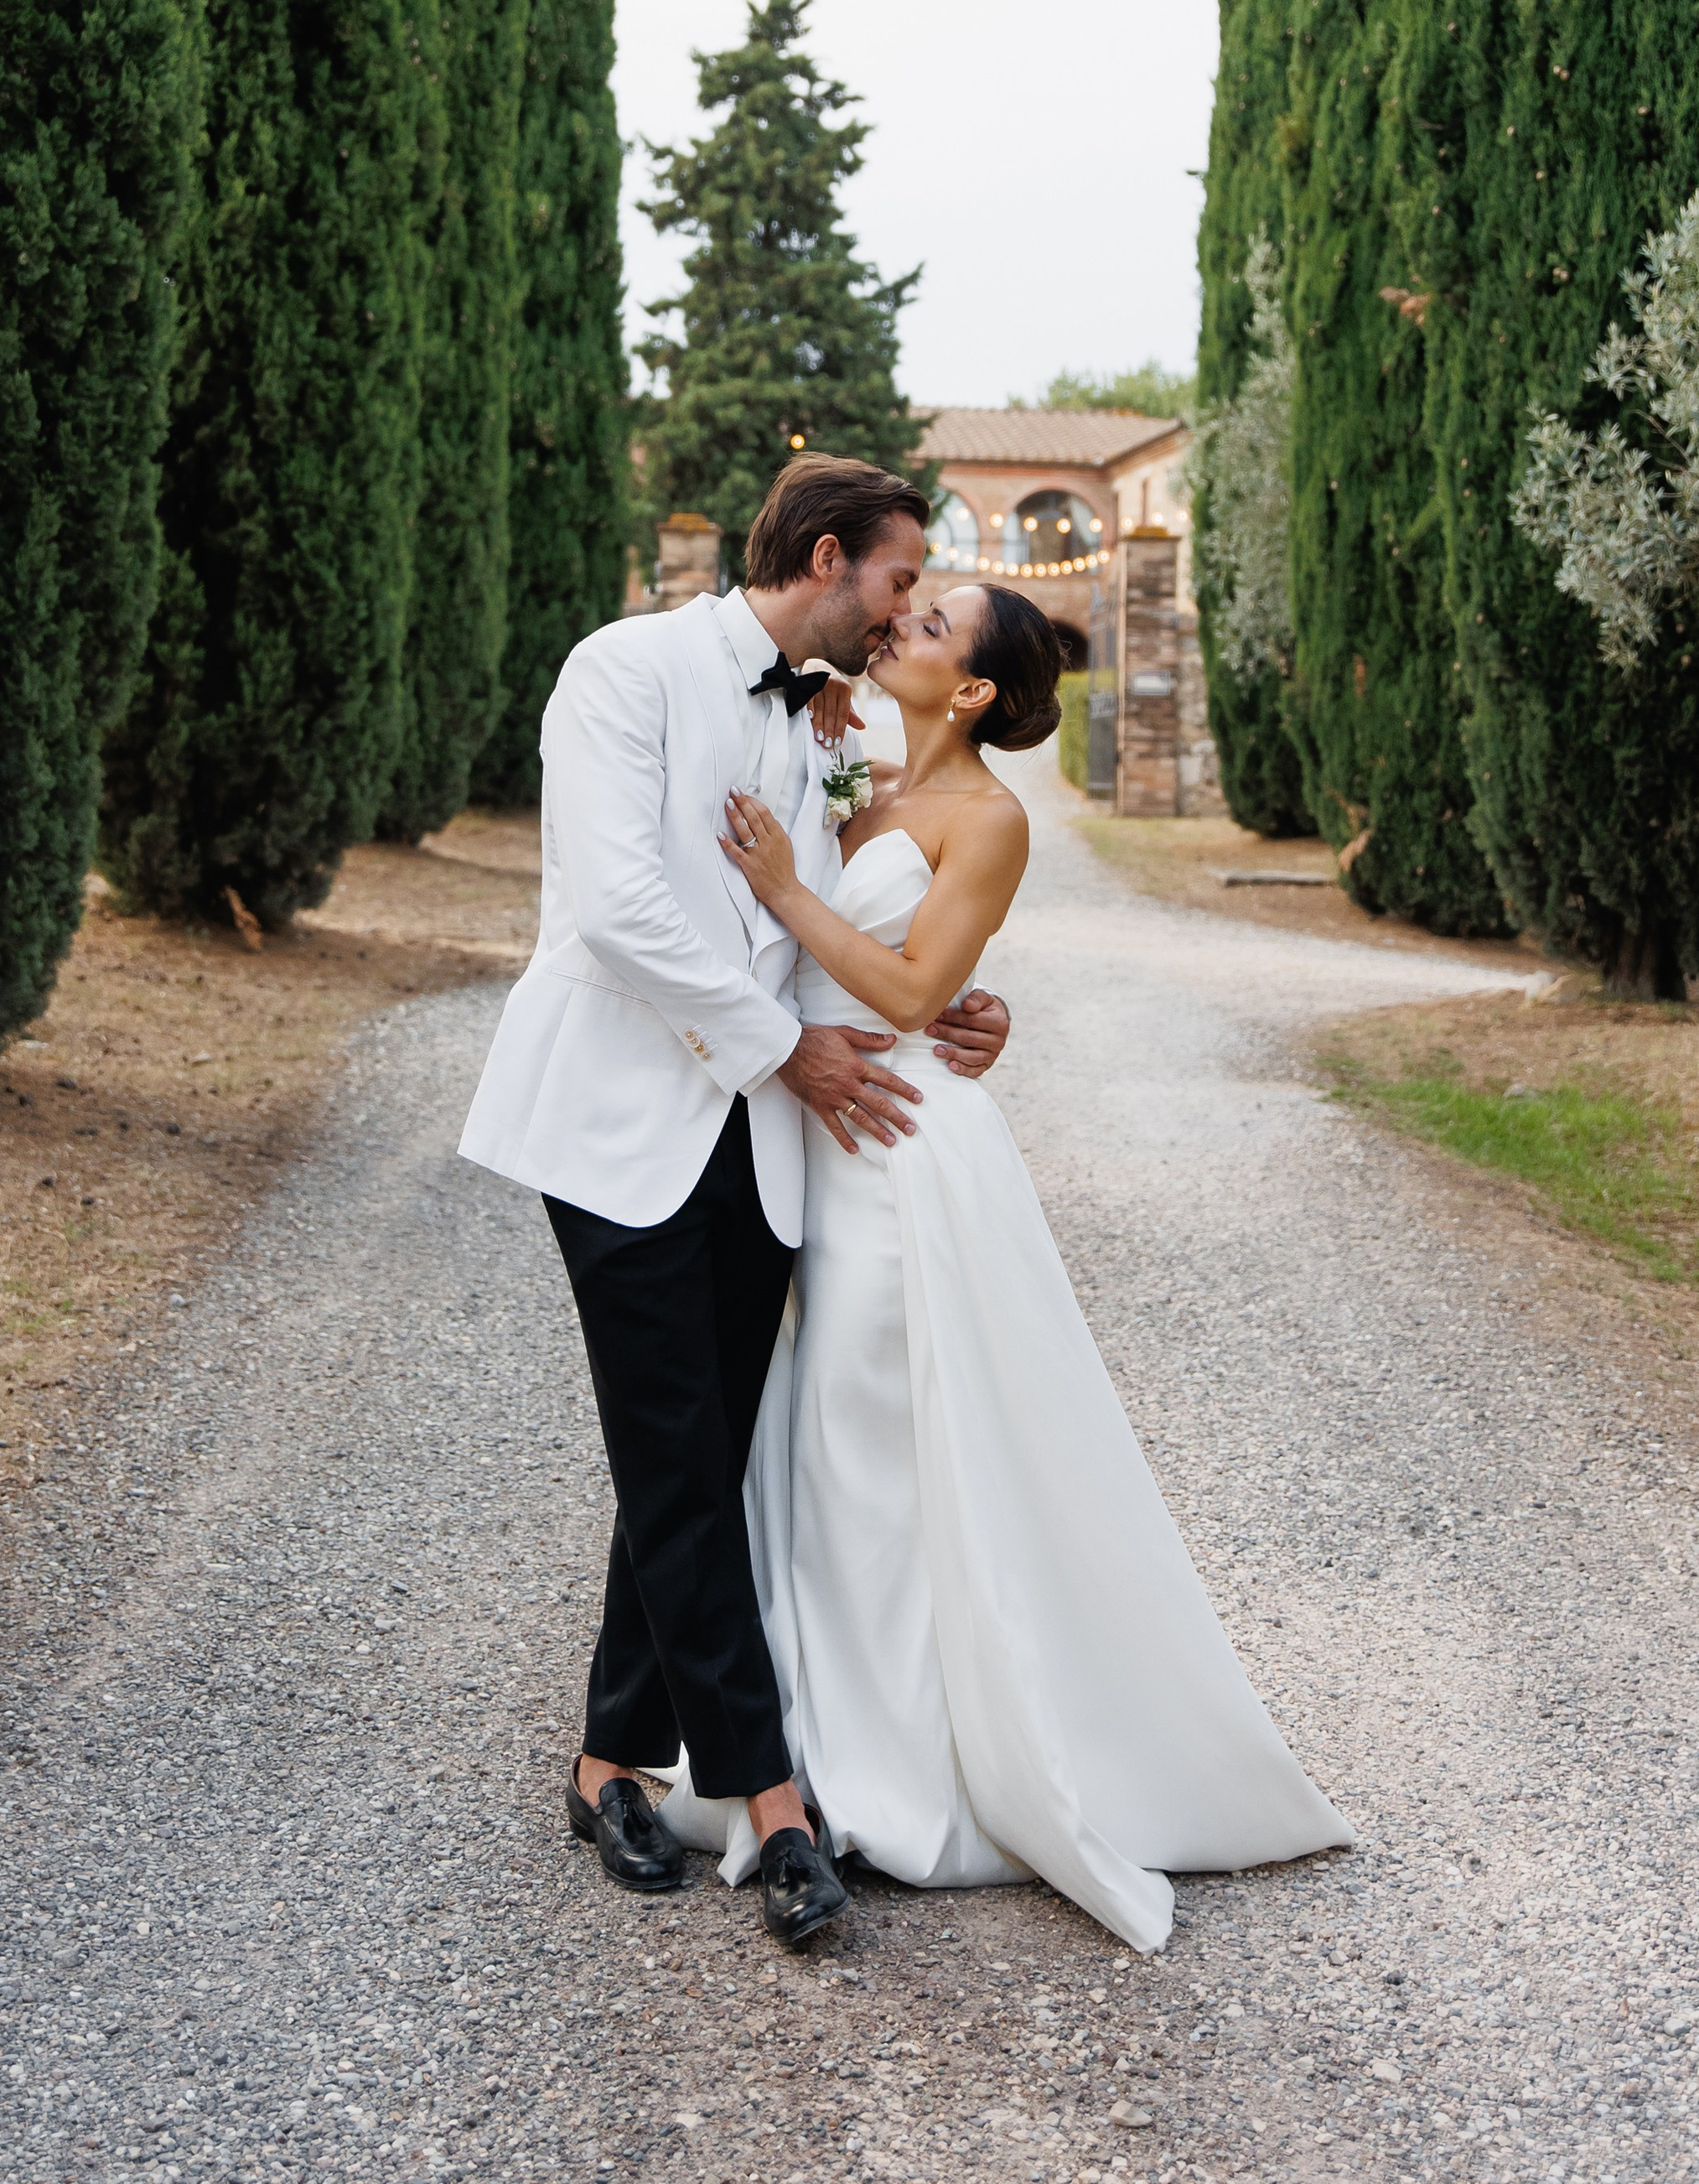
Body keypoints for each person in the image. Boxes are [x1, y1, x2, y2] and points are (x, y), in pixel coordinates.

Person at [660, 578, 1352, 1952]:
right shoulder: (842, 760)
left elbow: (914, 998)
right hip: (809, 1135)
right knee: (819, 1444)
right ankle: (824, 1739)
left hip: (900, 1156)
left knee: (879, 1444)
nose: (898, 628)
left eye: (927, 630)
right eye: (906, 613)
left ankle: (897, 1765)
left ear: (972, 691)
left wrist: (799, 898)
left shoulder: (991, 817)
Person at [458, 457, 1013, 1945]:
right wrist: (794, 1051)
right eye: (901, 583)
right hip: (621, 1124)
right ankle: (772, 1805)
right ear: (829, 558)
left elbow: (837, 927)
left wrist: (943, 1012)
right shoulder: (622, 670)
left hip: (767, 1144)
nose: (907, 616)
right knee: (677, 1453)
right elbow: (622, 908)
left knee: (691, 1450)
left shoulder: (827, 724)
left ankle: (603, 1763)